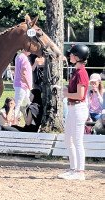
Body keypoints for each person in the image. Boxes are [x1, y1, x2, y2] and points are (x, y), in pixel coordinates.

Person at [58, 44, 90, 181]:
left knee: (77, 141)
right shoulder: (76, 71)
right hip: (72, 108)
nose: (69, 55)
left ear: (77, 57)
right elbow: (72, 91)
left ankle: (80, 171)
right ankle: (73, 169)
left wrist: (65, 93)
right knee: (68, 140)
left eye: (71, 54)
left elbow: (80, 95)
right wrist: (61, 88)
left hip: (78, 108)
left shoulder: (82, 73)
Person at [13, 50, 33, 123]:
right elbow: (23, 73)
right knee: (18, 105)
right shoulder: (23, 58)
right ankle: (14, 121)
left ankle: (20, 120)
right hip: (23, 85)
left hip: (21, 85)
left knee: (27, 103)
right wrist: (29, 86)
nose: (31, 51)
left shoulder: (19, 56)